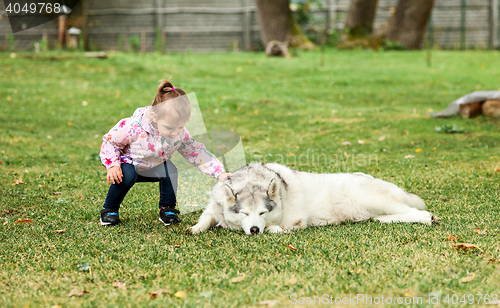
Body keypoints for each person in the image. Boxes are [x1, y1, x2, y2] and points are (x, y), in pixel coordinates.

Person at [99, 80, 230, 226]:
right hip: (130, 164)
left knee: (170, 170)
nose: (175, 132)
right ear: (155, 117)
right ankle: (110, 209)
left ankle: (168, 209)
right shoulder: (132, 127)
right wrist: (113, 165)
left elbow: (196, 152)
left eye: (180, 127)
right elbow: (110, 142)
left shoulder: (179, 134)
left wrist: (220, 173)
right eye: (169, 127)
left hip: (155, 166)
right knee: (127, 176)